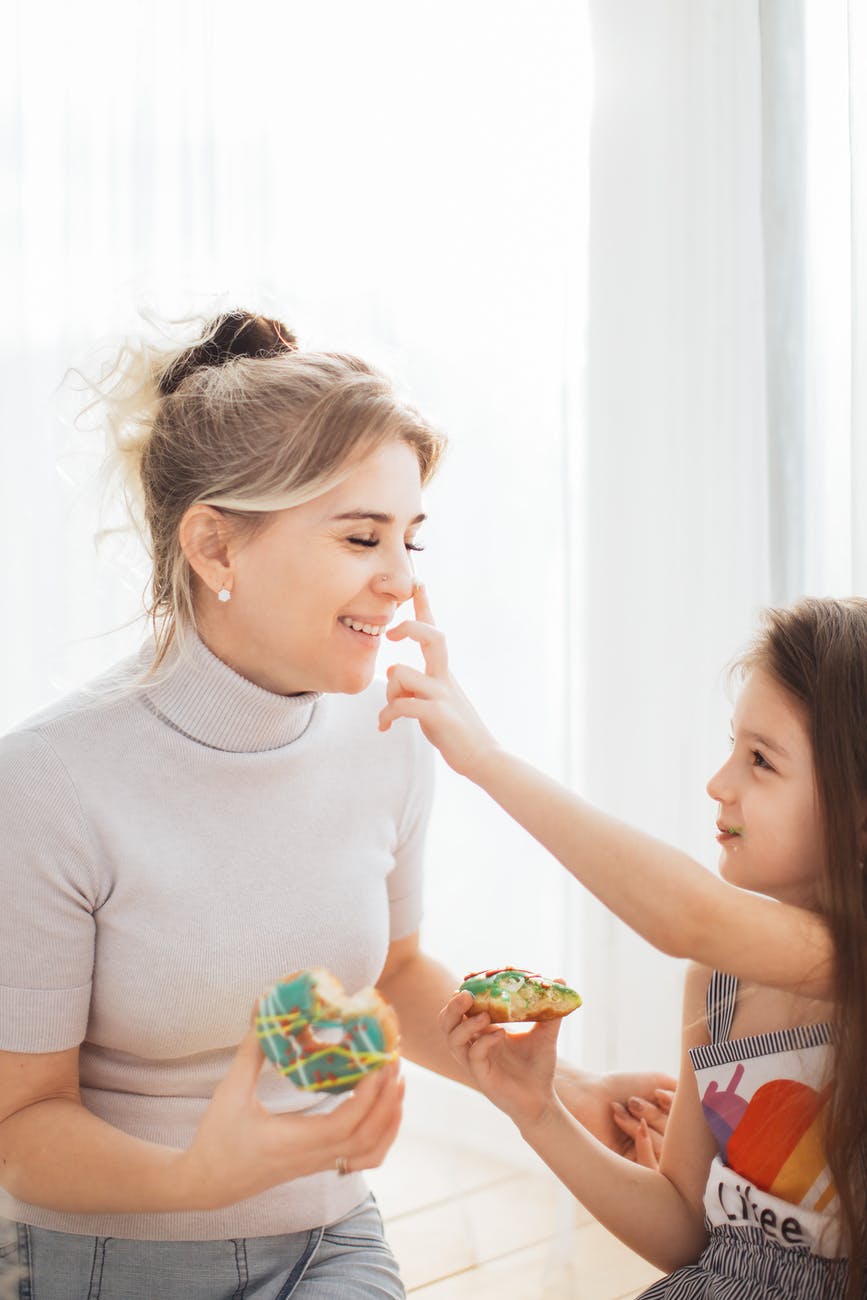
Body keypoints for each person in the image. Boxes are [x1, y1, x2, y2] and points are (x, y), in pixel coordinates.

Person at [0, 310, 672, 1299]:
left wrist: (563, 1092)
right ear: (215, 549)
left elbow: (392, 975)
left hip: (331, 1241)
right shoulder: (49, 782)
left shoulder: (389, 735)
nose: (401, 581)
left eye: (411, 537)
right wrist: (198, 1179)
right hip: (101, 1260)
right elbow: (20, 1130)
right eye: (362, 536)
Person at [380, 591, 867, 1298]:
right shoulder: (718, 982)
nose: (717, 783)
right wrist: (537, 1110)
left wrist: (483, 758)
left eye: (760, 761)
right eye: (731, 746)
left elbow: (687, 914)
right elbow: (683, 1235)